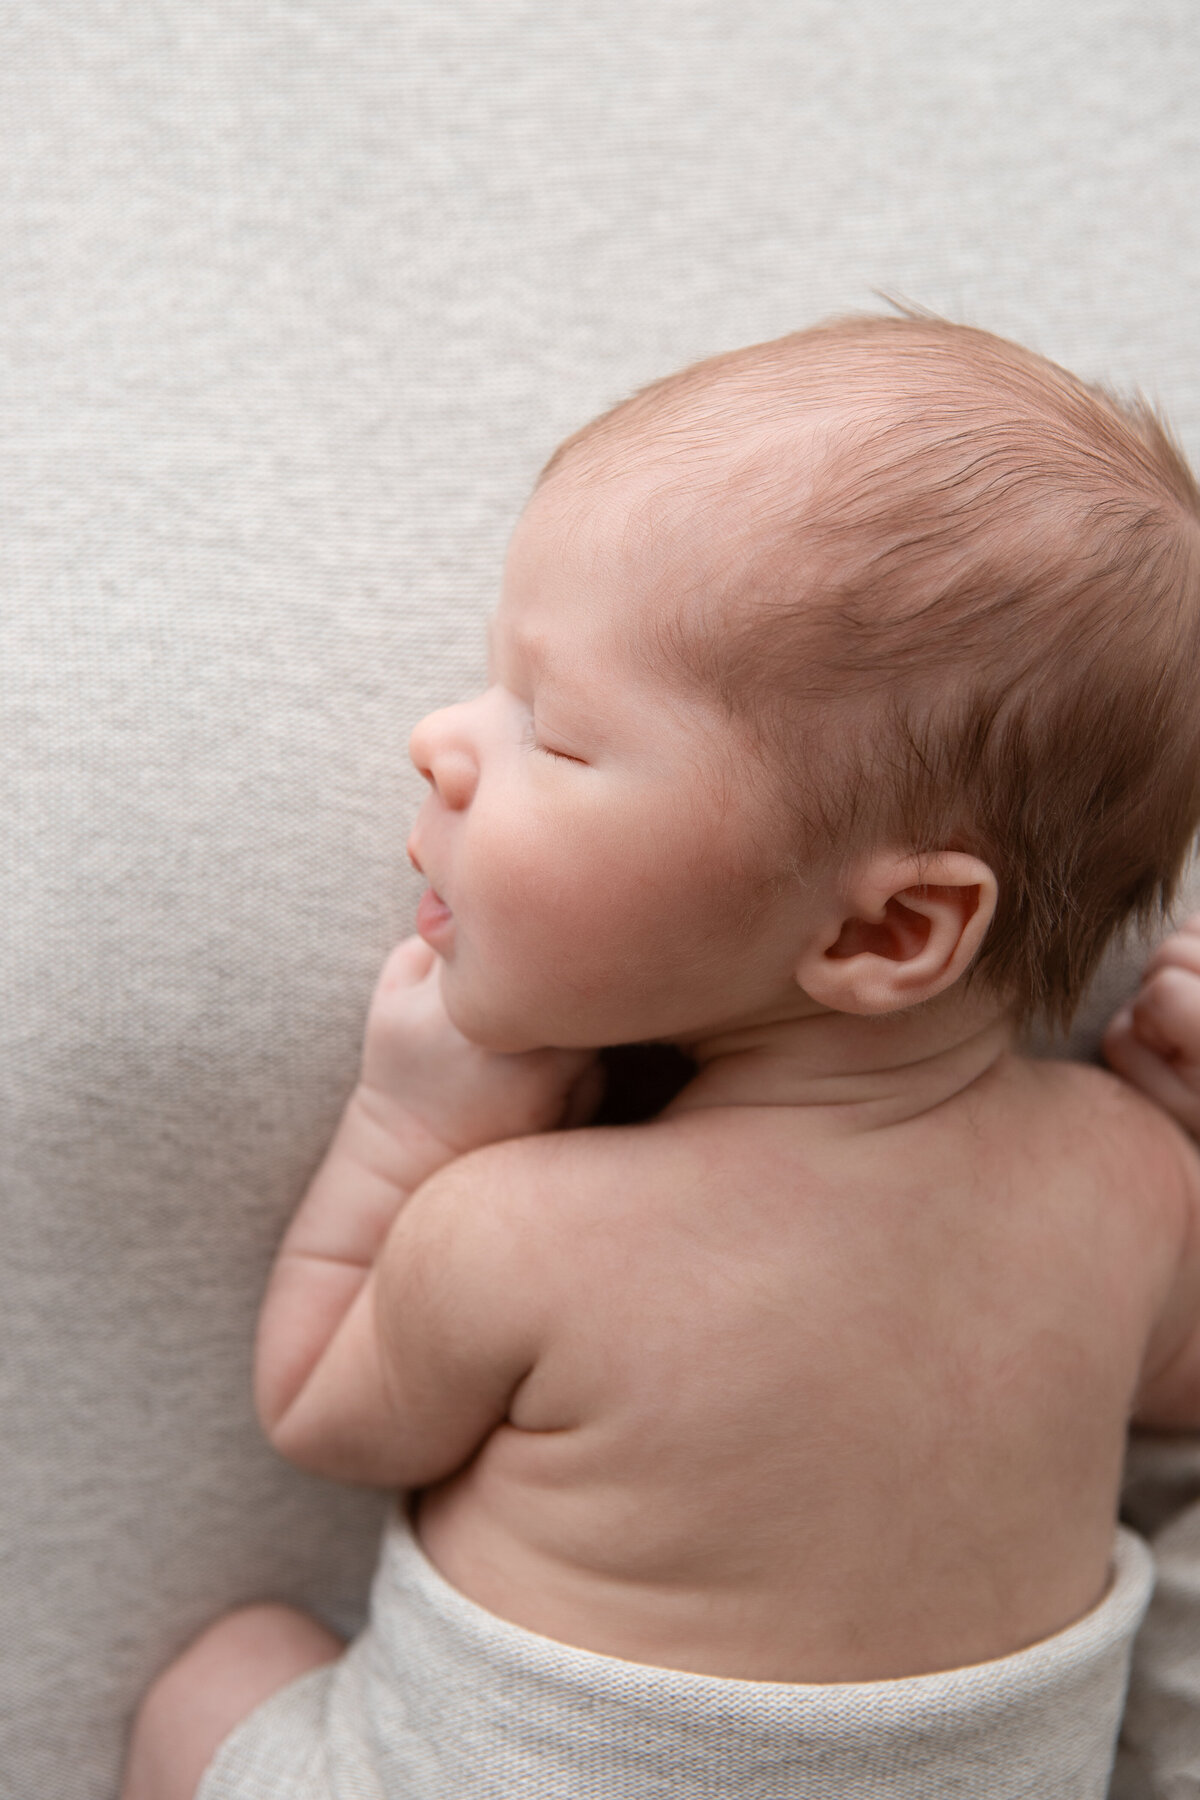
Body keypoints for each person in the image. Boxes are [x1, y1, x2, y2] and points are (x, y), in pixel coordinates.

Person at [122, 315, 1200, 1800]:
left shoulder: (519, 1231)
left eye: (554, 736)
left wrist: (407, 1127)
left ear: (889, 930)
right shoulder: (1139, 1190)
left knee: (224, 1674)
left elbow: (319, 1408)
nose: (442, 738)